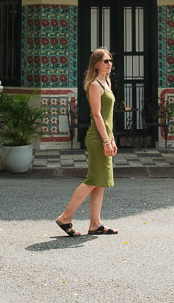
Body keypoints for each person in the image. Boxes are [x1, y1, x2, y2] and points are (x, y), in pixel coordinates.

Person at [55, 47, 119, 237]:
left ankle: (95, 223)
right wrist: (106, 141)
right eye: (106, 61)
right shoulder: (94, 85)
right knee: (93, 179)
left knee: (100, 181)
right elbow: (97, 115)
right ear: (96, 64)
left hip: (105, 135)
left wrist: (112, 138)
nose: (109, 64)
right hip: (97, 137)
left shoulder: (106, 83)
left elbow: (108, 117)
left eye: (110, 61)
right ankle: (65, 217)